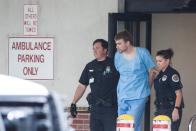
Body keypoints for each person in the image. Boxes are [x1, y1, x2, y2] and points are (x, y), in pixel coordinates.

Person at [70, 39, 119, 131]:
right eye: (93, 49)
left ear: (105, 50)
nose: (94, 50)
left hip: (111, 109)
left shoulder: (114, 64)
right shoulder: (90, 66)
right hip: (95, 109)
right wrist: (74, 102)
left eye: (97, 48)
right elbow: (82, 86)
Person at [114, 30, 156, 131]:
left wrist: (147, 89)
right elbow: (120, 73)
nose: (117, 46)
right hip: (122, 95)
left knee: (131, 125)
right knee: (122, 126)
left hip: (138, 95)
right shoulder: (117, 56)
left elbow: (152, 71)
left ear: (127, 43)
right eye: (116, 44)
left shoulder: (142, 52)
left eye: (119, 43)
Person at [154, 48, 184, 131]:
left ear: (167, 61)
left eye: (160, 61)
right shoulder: (160, 74)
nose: (157, 63)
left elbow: (179, 94)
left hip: (171, 108)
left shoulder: (172, 74)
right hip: (160, 108)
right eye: (157, 61)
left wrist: (176, 109)